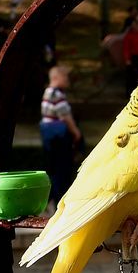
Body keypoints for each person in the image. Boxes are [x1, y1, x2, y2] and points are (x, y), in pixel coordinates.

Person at [39, 67, 83, 207]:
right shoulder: (56, 95)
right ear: (56, 78)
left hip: (48, 136)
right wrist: (76, 132)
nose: (67, 80)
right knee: (62, 168)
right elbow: (65, 116)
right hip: (58, 137)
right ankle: (60, 200)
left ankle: (50, 198)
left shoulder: (47, 92)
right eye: (65, 77)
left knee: (52, 167)